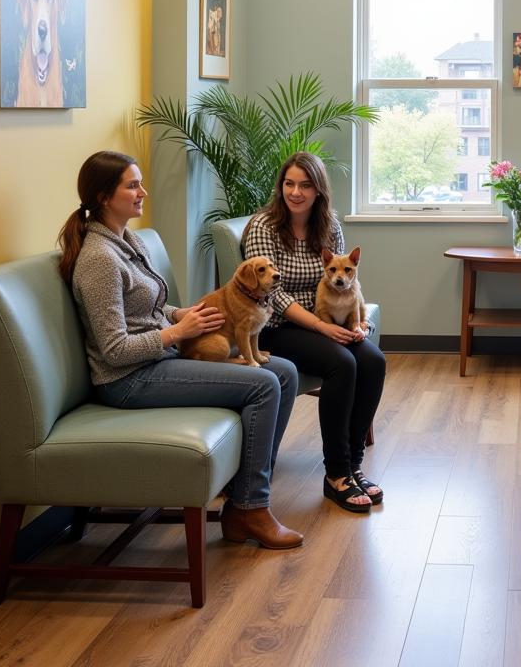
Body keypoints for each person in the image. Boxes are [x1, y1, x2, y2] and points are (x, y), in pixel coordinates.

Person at [59, 151, 303, 549]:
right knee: (263, 385)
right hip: (128, 379)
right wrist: (176, 333)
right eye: (132, 185)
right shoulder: (100, 259)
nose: (143, 191)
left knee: (285, 373)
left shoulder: (127, 240)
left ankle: (244, 498)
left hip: (156, 360)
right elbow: (115, 350)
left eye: (140, 183)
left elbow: (148, 308)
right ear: (104, 197)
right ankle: (249, 508)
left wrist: (179, 313)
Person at [243, 151, 387, 513]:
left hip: (327, 321)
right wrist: (322, 327)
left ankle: (353, 465)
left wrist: (358, 319)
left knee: (373, 361)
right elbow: (270, 294)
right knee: (343, 364)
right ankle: (336, 474)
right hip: (277, 327)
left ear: (318, 190)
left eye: (305, 185)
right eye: (289, 184)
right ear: (281, 187)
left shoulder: (329, 225)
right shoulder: (263, 226)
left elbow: (346, 275)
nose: (296, 192)